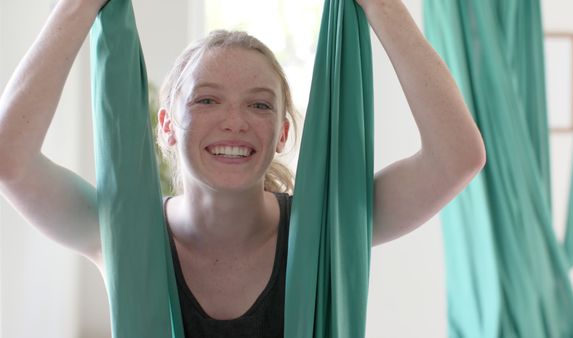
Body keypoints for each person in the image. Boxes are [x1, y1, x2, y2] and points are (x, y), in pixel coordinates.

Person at [0, 0, 486, 336]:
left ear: (281, 135)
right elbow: (10, 159)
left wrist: (383, 7)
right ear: (167, 125)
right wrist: (77, 7)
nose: (234, 122)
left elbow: (457, 158)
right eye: (208, 99)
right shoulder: (122, 235)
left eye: (258, 106)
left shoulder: (326, 231)